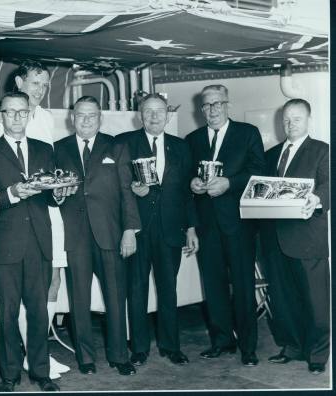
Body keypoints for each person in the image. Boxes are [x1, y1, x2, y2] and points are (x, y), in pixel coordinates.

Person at [0, 60, 69, 379]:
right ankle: (9, 376)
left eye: (23, 112)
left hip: (39, 241)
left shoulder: (46, 149)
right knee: (7, 315)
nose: (18, 117)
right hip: (5, 243)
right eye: (11, 112)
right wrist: (14, 192)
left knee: (38, 311)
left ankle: (42, 373)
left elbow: (48, 193)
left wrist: (57, 195)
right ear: (1, 116)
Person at [54, 96, 141, 376]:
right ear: (72, 118)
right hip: (75, 236)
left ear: (100, 119)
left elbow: (127, 193)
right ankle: (85, 358)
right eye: (81, 115)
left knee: (116, 297)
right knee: (79, 301)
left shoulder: (116, 146)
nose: (87, 120)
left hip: (111, 235)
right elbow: (52, 193)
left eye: (92, 115)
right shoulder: (59, 149)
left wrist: (130, 231)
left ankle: (119, 355)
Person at [185, 84, 265, 367]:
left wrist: (230, 183)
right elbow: (187, 180)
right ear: (201, 109)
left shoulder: (247, 133)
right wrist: (193, 184)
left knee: (243, 287)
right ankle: (222, 341)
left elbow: (260, 171)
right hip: (207, 226)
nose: (212, 109)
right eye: (207, 105)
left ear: (227, 104)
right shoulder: (192, 139)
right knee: (214, 286)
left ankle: (248, 347)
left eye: (217, 103)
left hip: (239, 225)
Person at [116, 93, 199, 367]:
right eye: (148, 111)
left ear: (167, 115)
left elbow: (188, 193)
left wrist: (190, 228)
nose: (154, 117)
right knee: (136, 289)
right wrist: (131, 189)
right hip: (137, 230)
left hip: (170, 229)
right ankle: (139, 348)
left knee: (169, 290)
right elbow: (117, 187)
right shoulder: (126, 143)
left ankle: (171, 346)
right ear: (139, 114)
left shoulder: (181, 146)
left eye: (159, 112)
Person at [259, 99, 329, 375]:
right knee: (283, 299)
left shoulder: (322, 150)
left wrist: (318, 198)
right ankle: (291, 347)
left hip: (308, 239)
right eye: (286, 119)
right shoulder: (272, 153)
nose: (290, 124)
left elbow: (329, 184)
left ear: (308, 120)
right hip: (275, 239)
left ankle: (318, 354)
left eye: (296, 119)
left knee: (316, 301)